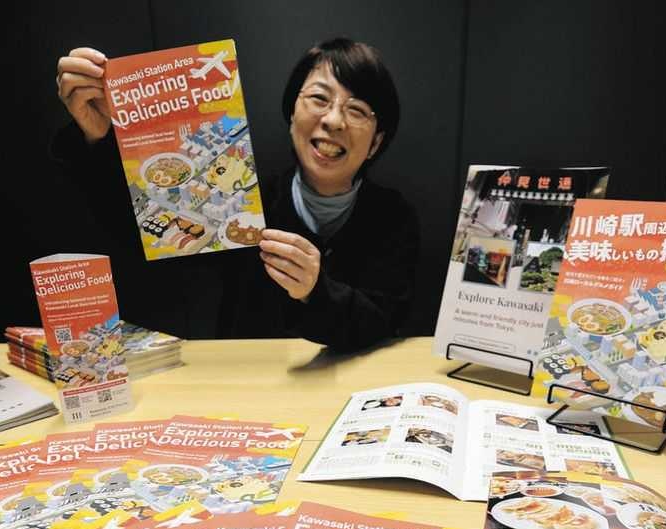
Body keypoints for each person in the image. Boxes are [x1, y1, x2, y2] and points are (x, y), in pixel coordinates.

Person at [53, 39, 418, 352]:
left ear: (376, 143)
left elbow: (384, 325)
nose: (334, 121)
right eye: (319, 98)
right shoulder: (240, 202)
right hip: (247, 394)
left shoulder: (393, 218)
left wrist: (315, 291)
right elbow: (146, 232)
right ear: (292, 113)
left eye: (357, 110)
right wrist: (97, 139)